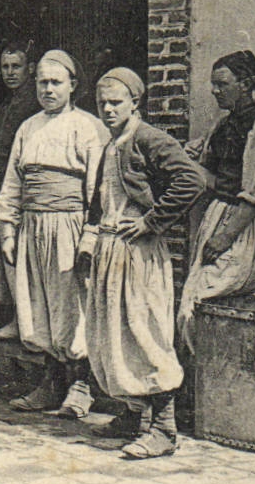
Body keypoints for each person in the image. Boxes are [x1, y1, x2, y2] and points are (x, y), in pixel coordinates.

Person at [79, 68, 204, 458]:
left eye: (116, 102)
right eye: (102, 103)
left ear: (136, 102)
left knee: (144, 333)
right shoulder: (111, 144)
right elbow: (100, 202)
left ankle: (165, 429)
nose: (108, 109)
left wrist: (151, 221)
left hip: (138, 253)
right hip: (111, 249)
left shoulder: (148, 138)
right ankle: (134, 415)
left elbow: (191, 180)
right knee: (113, 334)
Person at [0, 49, 108, 417]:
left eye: (55, 82)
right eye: (42, 82)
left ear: (73, 85)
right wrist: (9, 229)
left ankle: (81, 385)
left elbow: (99, 190)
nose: (47, 89)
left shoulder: (89, 127)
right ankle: (51, 382)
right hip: (33, 226)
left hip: (69, 225)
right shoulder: (28, 127)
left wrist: (89, 237)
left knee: (71, 307)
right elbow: (13, 182)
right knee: (37, 305)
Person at [177, 50, 255, 353]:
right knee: (200, 305)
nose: (215, 91)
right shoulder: (224, 124)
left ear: (246, 84)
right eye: (213, 84)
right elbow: (211, 177)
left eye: (222, 84)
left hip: (242, 225)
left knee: (205, 300)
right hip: (218, 217)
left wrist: (224, 236)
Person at [0, 43, 40, 339]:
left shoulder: (30, 104)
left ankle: (21, 320)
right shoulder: (7, 103)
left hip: (13, 187)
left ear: (30, 69)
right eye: (5, 67)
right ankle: (7, 315)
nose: (10, 73)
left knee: (14, 253)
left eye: (16, 67)